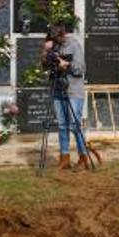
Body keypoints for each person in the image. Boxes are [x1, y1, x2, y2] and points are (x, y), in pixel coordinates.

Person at [42, 24, 89, 171]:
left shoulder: (74, 44)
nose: (55, 41)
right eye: (52, 39)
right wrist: (45, 51)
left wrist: (66, 65)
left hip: (74, 91)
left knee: (74, 125)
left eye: (56, 38)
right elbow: (44, 66)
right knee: (62, 125)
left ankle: (83, 158)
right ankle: (64, 158)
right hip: (58, 89)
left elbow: (81, 68)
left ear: (62, 35)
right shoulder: (52, 47)